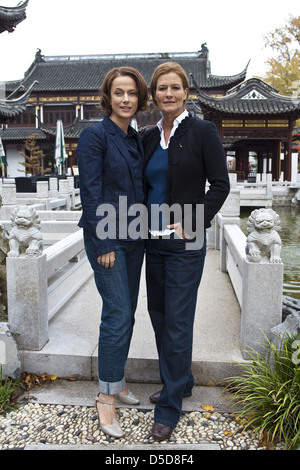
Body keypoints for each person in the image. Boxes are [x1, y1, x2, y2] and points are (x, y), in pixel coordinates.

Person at [143, 62, 230, 441]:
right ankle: (181, 380)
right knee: (160, 315)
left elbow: (220, 185)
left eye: (175, 87)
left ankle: (169, 407)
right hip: (152, 240)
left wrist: (195, 221)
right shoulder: (147, 137)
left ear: (186, 92)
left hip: (186, 242)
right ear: (154, 94)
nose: (168, 94)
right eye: (162, 88)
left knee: (178, 321)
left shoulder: (203, 131)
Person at [77, 67, 148, 438]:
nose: (125, 99)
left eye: (132, 93)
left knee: (127, 314)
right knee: (118, 313)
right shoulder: (94, 135)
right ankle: (106, 398)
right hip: (107, 239)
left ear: (139, 99)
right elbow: (90, 191)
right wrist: (103, 241)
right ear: (108, 96)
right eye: (119, 92)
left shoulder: (134, 137)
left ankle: (116, 381)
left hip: (134, 237)